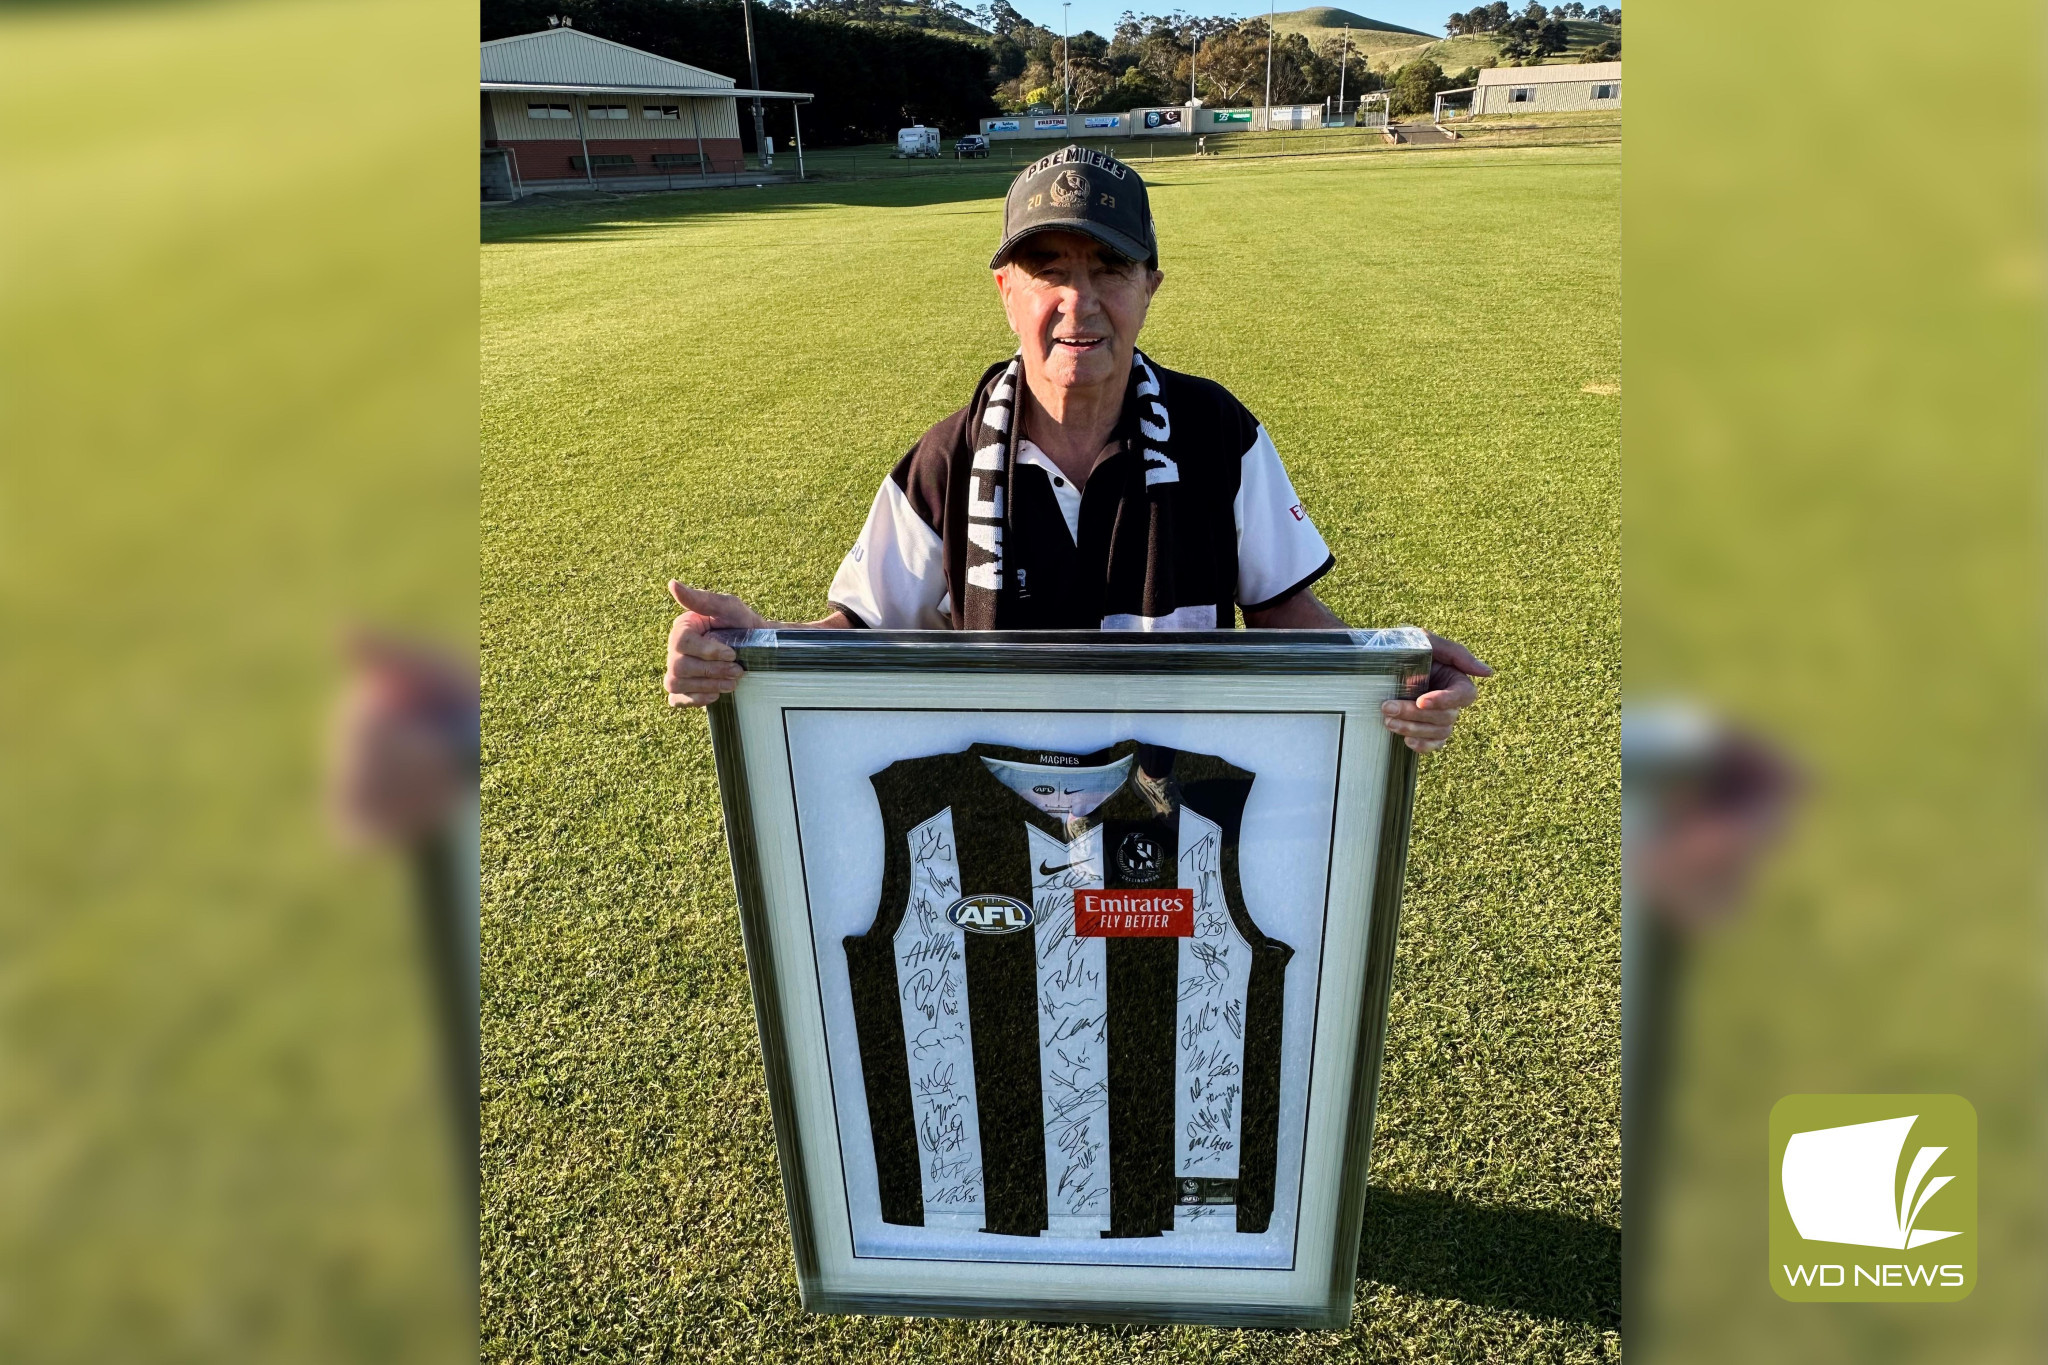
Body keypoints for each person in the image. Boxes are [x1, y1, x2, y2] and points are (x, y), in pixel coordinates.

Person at [665, 144, 1489, 751]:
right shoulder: (946, 458)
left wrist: (1394, 670)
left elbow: (1279, 608)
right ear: (1005, 290)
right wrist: (756, 645)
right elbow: (865, 625)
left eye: (1110, 269)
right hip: (992, 798)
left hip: (1177, 797)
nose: (1078, 302)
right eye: (1048, 268)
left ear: (1150, 287)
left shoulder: (1216, 433)